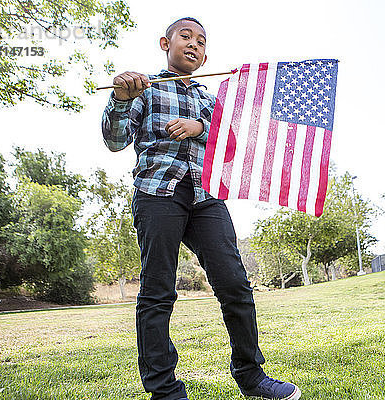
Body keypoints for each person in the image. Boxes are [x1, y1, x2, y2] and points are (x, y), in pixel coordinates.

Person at [101, 17, 301, 400]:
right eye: (185, 37)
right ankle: (164, 389)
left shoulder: (211, 102)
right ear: (166, 43)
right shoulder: (145, 88)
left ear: (206, 55)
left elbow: (231, 147)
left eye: (201, 41)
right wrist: (120, 100)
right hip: (158, 192)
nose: (193, 44)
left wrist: (201, 128)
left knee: (235, 284)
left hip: (206, 197)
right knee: (158, 290)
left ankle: (251, 376)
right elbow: (115, 140)